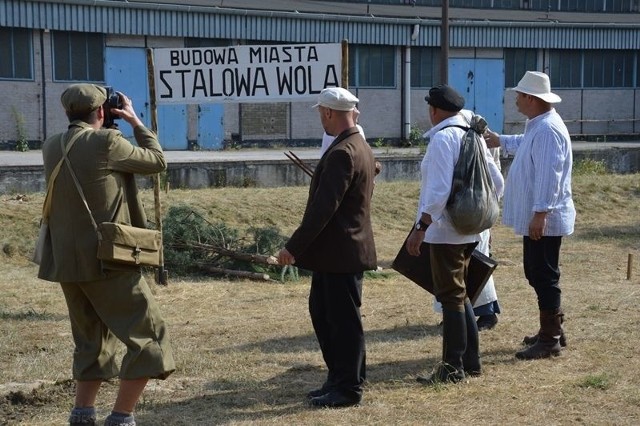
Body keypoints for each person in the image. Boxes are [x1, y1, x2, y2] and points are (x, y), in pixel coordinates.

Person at [38, 84, 175, 426]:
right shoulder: (108, 142)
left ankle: (82, 416)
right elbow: (157, 161)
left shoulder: (51, 145)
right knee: (149, 338)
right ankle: (121, 417)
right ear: (102, 112)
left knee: (91, 343)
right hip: (107, 260)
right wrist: (134, 121)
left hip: (67, 264)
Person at [277, 87, 377, 408]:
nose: (320, 117)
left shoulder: (342, 153)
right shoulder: (356, 146)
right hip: (337, 253)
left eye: (321, 112)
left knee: (343, 322)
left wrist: (293, 247)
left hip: (341, 253)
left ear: (330, 113)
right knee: (324, 314)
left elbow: (322, 209)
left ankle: (348, 388)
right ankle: (339, 378)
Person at [405, 84, 503, 384]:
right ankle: (470, 362)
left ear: (434, 110)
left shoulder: (443, 139)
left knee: (450, 297)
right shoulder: (472, 135)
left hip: (445, 230)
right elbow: (497, 183)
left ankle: (452, 368)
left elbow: (436, 192)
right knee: (462, 296)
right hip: (470, 228)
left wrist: (421, 227)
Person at [485, 71, 575, 360]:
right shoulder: (539, 124)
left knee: (543, 273)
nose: (516, 99)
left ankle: (550, 338)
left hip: (544, 217)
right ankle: (553, 330)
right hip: (541, 216)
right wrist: (500, 140)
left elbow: (551, 175)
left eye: (520, 95)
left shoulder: (548, 129)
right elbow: (526, 143)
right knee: (537, 271)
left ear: (531, 99)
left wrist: (541, 213)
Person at [431, 112, 504, 331]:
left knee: (474, 269)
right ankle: (457, 315)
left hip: (467, 214)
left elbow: (496, 179)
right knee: (460, 275)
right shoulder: (469, 137)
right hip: (468, 214)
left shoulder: (469, 138)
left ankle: (485, 312)